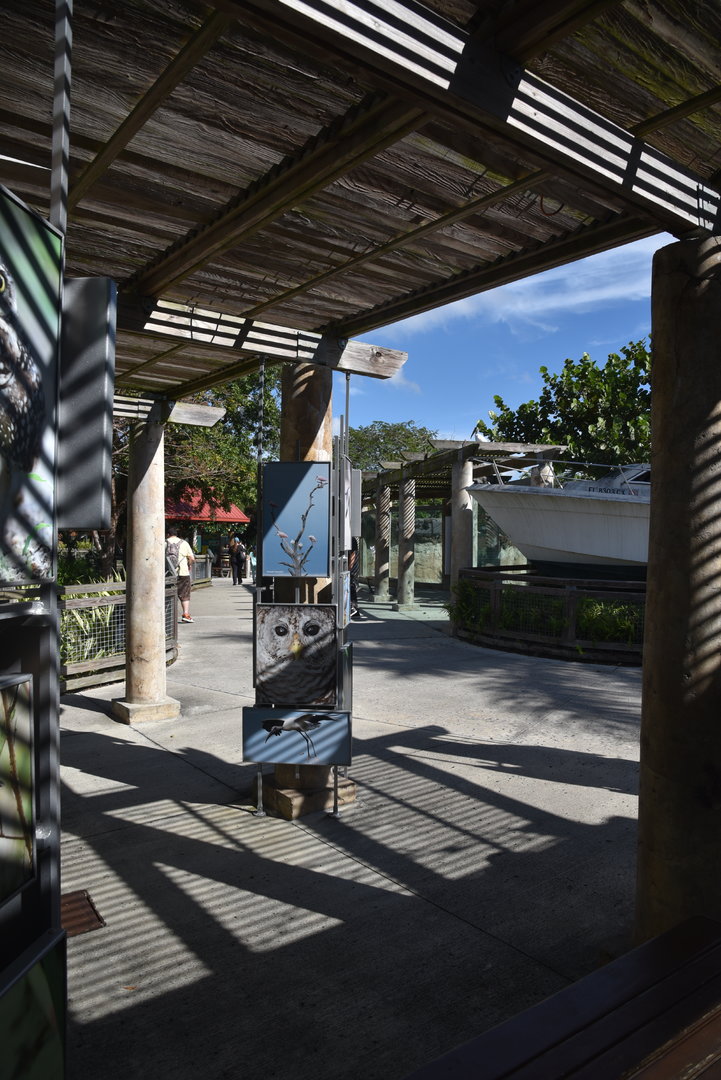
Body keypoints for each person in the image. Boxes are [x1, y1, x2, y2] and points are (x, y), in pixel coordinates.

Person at [166, 528, 196, 623]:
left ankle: (166, 616)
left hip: (167, 573)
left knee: (167, 594)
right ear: (177, 534)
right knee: (184, 594)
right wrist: (189, 564)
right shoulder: (184, 543)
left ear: (168, 534)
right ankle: (185, 614)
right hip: (182, 572)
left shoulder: (164, 543)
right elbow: (192, 558)